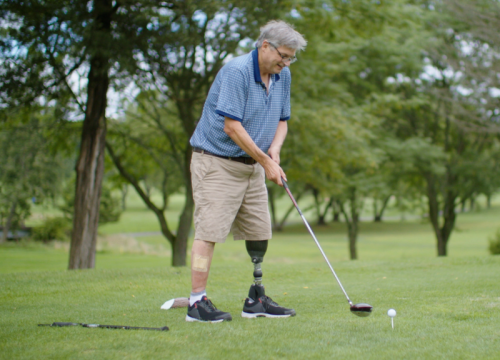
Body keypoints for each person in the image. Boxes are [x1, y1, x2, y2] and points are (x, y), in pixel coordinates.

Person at [186, 20, 307, 323]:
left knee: (259, 230)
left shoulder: (283, 75)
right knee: (209, 231)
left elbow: (282, 119)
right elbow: (231, 126)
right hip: (216, 162)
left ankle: (256, 299)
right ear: (265, 45)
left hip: (252, 165)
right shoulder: (237, 71)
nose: (286, 62)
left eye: (291, 58)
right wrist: (267, 163)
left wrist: (274, 151)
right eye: (283, 55)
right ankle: (196, 303)